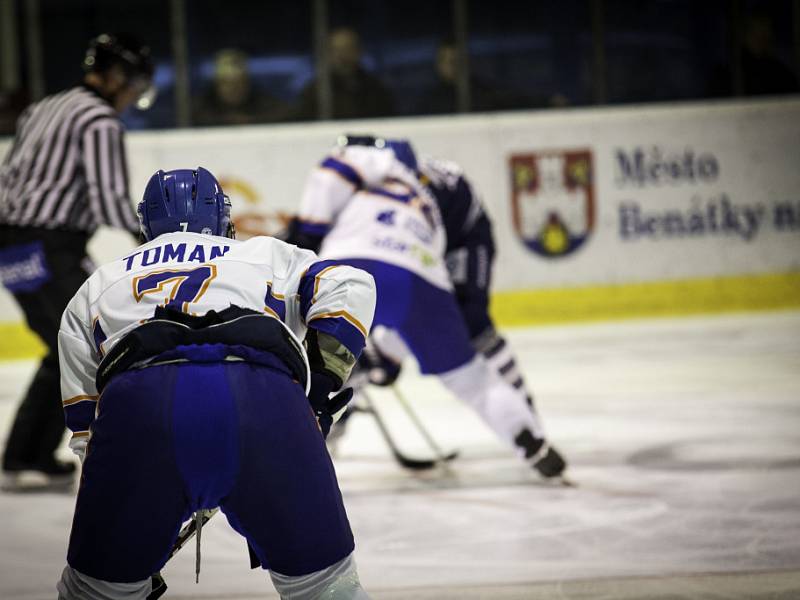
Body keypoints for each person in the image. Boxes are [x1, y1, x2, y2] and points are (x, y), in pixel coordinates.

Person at [56, 167, 375, 599]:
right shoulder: (263, 253)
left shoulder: (100, 281)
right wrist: (317, 390)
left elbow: (85, 421)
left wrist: (128, 507)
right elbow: (352, 285)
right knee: (325, 588)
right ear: (225, 220)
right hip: (265, 399)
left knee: (98, 592)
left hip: (141, 403)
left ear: (144, 224)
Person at [286, 136, 566, 479]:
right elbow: (413, 306)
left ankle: (296, 444)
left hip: (349, 266)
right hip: (420, 275)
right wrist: (387, 353)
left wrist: (304, 237)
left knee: (307, 355)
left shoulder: (371, 165)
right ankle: (531, 441)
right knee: (470, 378)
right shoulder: (427, 199)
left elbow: (332, 172)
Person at [0, 33, 155, 491]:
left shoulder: (42, 107)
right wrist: (149, 238)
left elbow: (11, 179)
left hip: (12, 247)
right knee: (94, 339)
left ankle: (25, 454)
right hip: (49, 245)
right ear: (116, 78)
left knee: (63, 344)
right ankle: (123, 449)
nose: (132, 98)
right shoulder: (99, 120)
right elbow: (108, 196)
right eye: (135, 87)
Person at [291, 28, 394, 120]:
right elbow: (304, 123)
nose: (342, 56)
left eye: (347, 49)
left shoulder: (376, 89)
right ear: (328, 54)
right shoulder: (316, 91)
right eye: (336, 50)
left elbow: (389, 120)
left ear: (359, 51)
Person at [192, 48, 286, 126]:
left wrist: (253, 121)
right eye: (227, 83)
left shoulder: (263, 103)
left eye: (239, 82)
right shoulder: (201, 108)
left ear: (247, 82)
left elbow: (283, 115)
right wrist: (226, 122)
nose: (234, 89)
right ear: (217, 85)